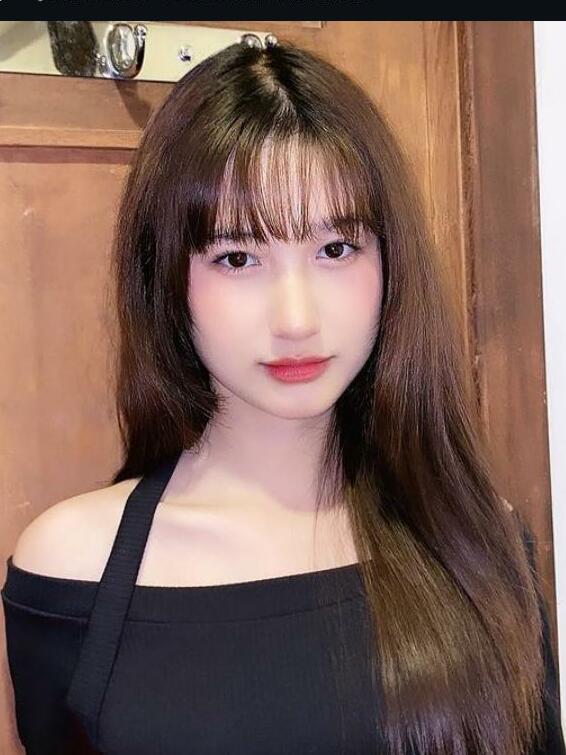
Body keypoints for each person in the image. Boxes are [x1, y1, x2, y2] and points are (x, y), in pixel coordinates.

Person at [2, 36, 565, 755]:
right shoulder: (76, 567)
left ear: (390, 263)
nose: (296, 319)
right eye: (238, 257)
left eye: (335, 249)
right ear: (165, 277)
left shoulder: (477, 540)